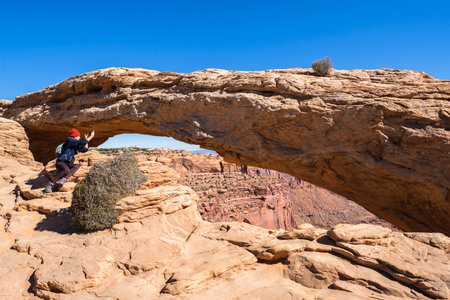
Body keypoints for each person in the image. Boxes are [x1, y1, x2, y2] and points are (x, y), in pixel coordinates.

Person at [44, 128, 95, 193]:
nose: (79, 137)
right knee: (66, 170)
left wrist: (86, 139)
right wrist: (91, 136)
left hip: (68, 164)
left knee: (76, 166)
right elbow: (83, 142)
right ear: (75, 136)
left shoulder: (74, 145)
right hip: (60, 162)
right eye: (78, 136)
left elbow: (85, 149)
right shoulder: (69, 140)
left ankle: (62, 180)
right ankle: (50, 184)